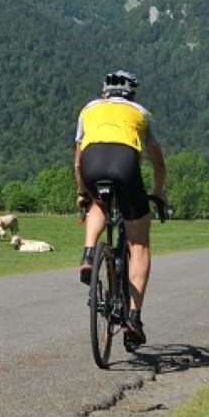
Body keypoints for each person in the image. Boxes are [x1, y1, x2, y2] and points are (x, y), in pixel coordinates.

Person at [74, 69, 167, 348]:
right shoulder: (142, 113)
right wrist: (159, 194)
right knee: (139, 245)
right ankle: (134, 318)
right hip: (125, 164)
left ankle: (89, 253)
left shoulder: (88, 109)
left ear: (105, 93)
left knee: (99, 202)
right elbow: (159, 165)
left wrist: (82, 192)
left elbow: (78, 162)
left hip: (92, 162)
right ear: (132, 94)